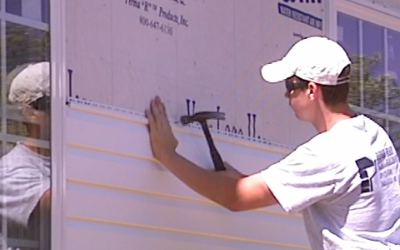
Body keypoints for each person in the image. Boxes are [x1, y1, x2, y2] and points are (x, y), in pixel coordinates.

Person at [145, 36, 400, 250]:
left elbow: (233, 198)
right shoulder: (373, 134)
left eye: (291, 85)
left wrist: (167, 154)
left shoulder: (326, 153)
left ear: (312, 90)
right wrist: (239, 177)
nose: (286, 93)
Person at [0, 62, 51, 249]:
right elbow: (65, 207)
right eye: (56, 104)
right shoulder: (10, 171)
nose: (67, 112)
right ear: (30, 113)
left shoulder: (71, 162)